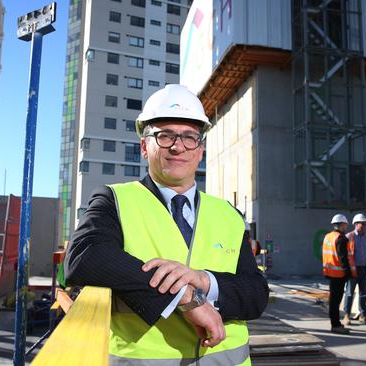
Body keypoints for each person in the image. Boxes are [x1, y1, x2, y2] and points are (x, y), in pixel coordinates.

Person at [64, 84, 269, 365]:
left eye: (189, 137)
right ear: (144, 147)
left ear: (200, 150)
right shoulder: (115, 200)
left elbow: (256, 294)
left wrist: (204, 281)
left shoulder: (228, 214)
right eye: (164, 136)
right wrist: (185, 297)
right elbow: (84, 258)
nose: (177, 146)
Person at [322, 214, 355, 334]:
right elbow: (343, 258)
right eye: (345, 224)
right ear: (342, 225)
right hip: (339, 274)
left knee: (333, 300)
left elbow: (327, 255)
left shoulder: (328, 237)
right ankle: (335, 325)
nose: (346, 226)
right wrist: (348, 273)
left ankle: (335, 323)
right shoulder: (341, 238)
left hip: (329, 272)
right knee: (336, 301)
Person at [342, 213, 366, 325]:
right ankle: (346, 315)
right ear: (355, 224)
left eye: (365, 224)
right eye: (362, 223)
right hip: (352, 270)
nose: (364, 226)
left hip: (364, 269)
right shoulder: (348, 237)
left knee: (363, 293)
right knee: (350, 293)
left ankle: (363, 315)